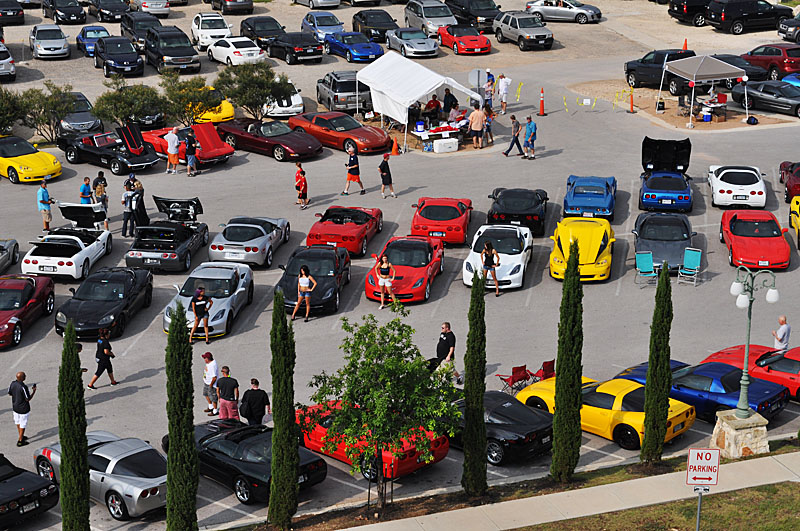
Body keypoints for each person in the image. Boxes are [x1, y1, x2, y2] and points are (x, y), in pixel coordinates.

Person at [8, 372, 36, 447]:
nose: (25, 376)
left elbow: (10, 393)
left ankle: (21, 435)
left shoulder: (12, 383)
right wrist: (34, 391)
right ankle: (20, 441)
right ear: (22, 378)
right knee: (23, 423)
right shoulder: (23, 387)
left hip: (15, 407)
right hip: (23, 409)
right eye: (24, 376)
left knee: (18, 422)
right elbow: (28, 399)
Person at [202, 352, 219, 416]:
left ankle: (215, 410)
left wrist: (211, 385)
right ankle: (210, 406)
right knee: (206, 394)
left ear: (208, 358)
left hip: (211, 384)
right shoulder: (209, 363)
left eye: (205, 358)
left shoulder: (212, 366)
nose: (204, 359)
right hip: (207, 382)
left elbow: (214, 377)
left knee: (213, 398)